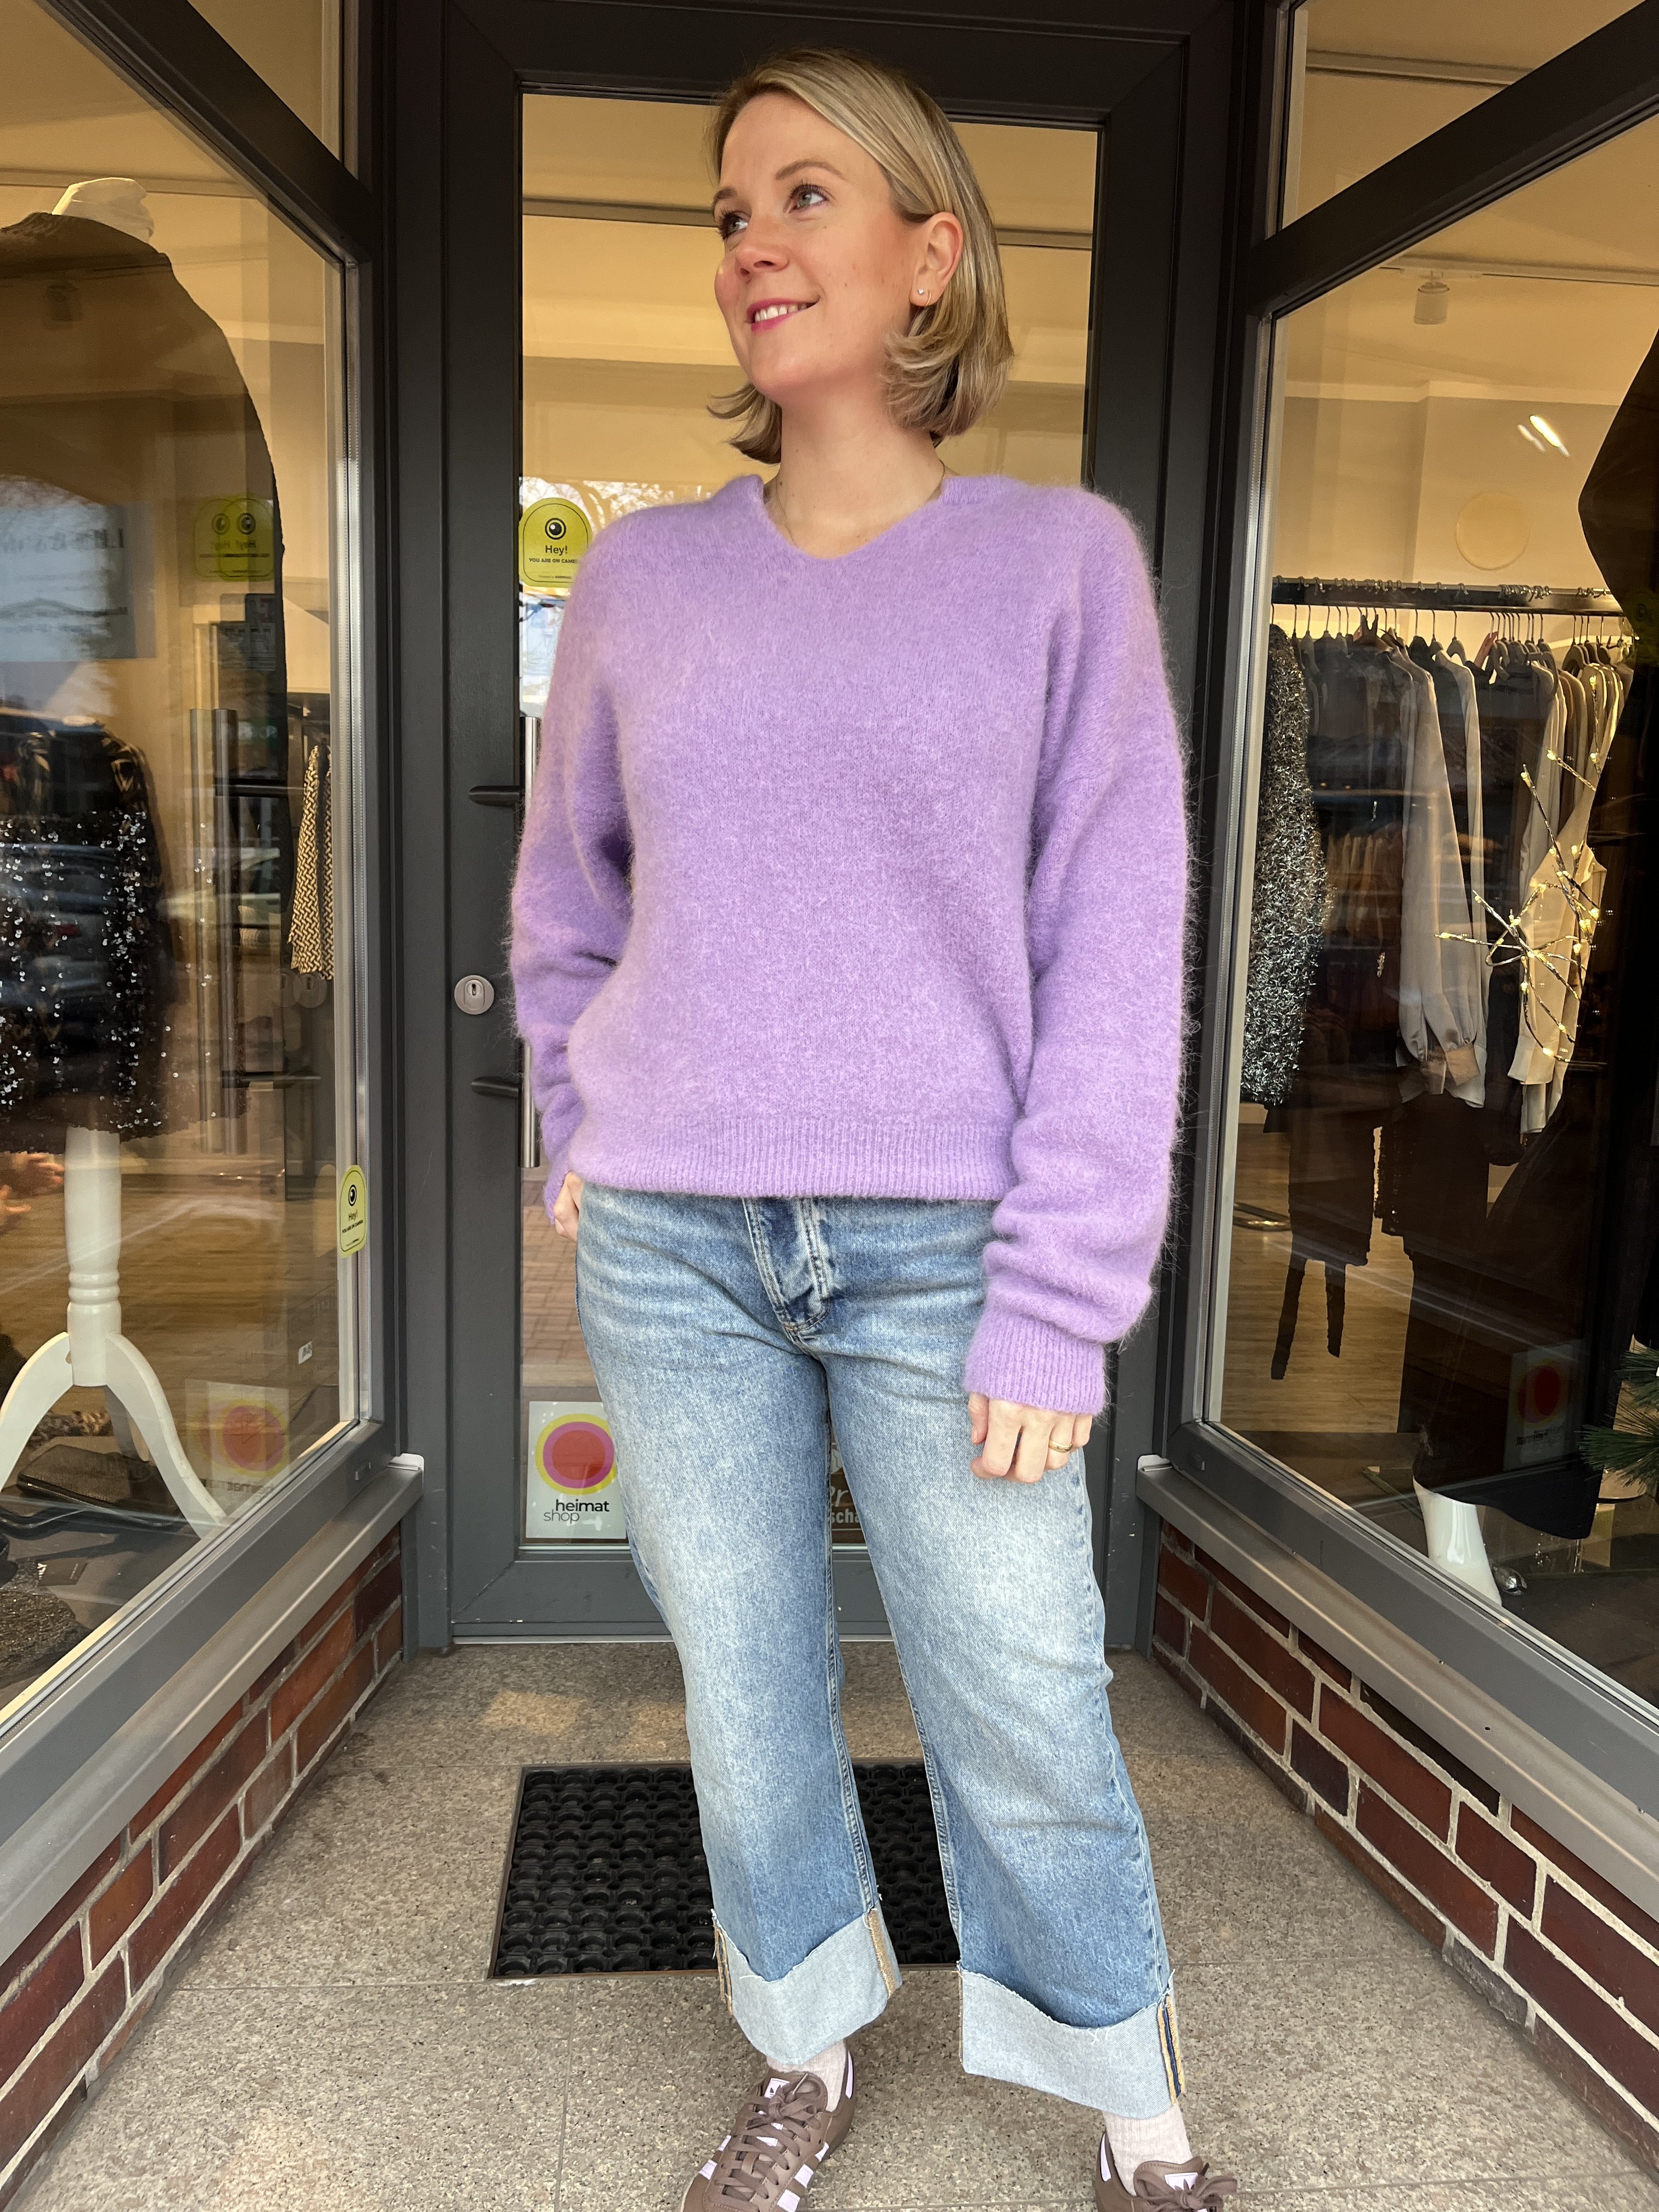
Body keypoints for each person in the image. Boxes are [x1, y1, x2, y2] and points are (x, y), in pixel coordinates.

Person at [510, 46, 1233, 2212]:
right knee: (744, 1682)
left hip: (954, 1247)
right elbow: (565, 900)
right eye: (731, 211)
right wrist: (576, 1109)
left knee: (1021, 1684)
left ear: (932, 258)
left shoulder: (1060, 566)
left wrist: (1063, 1294)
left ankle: (1135, 2110)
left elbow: (1118, 944)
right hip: (676, 1239)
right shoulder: (644, 581)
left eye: (804, 196)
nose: (754, 243)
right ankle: (803, 2050)